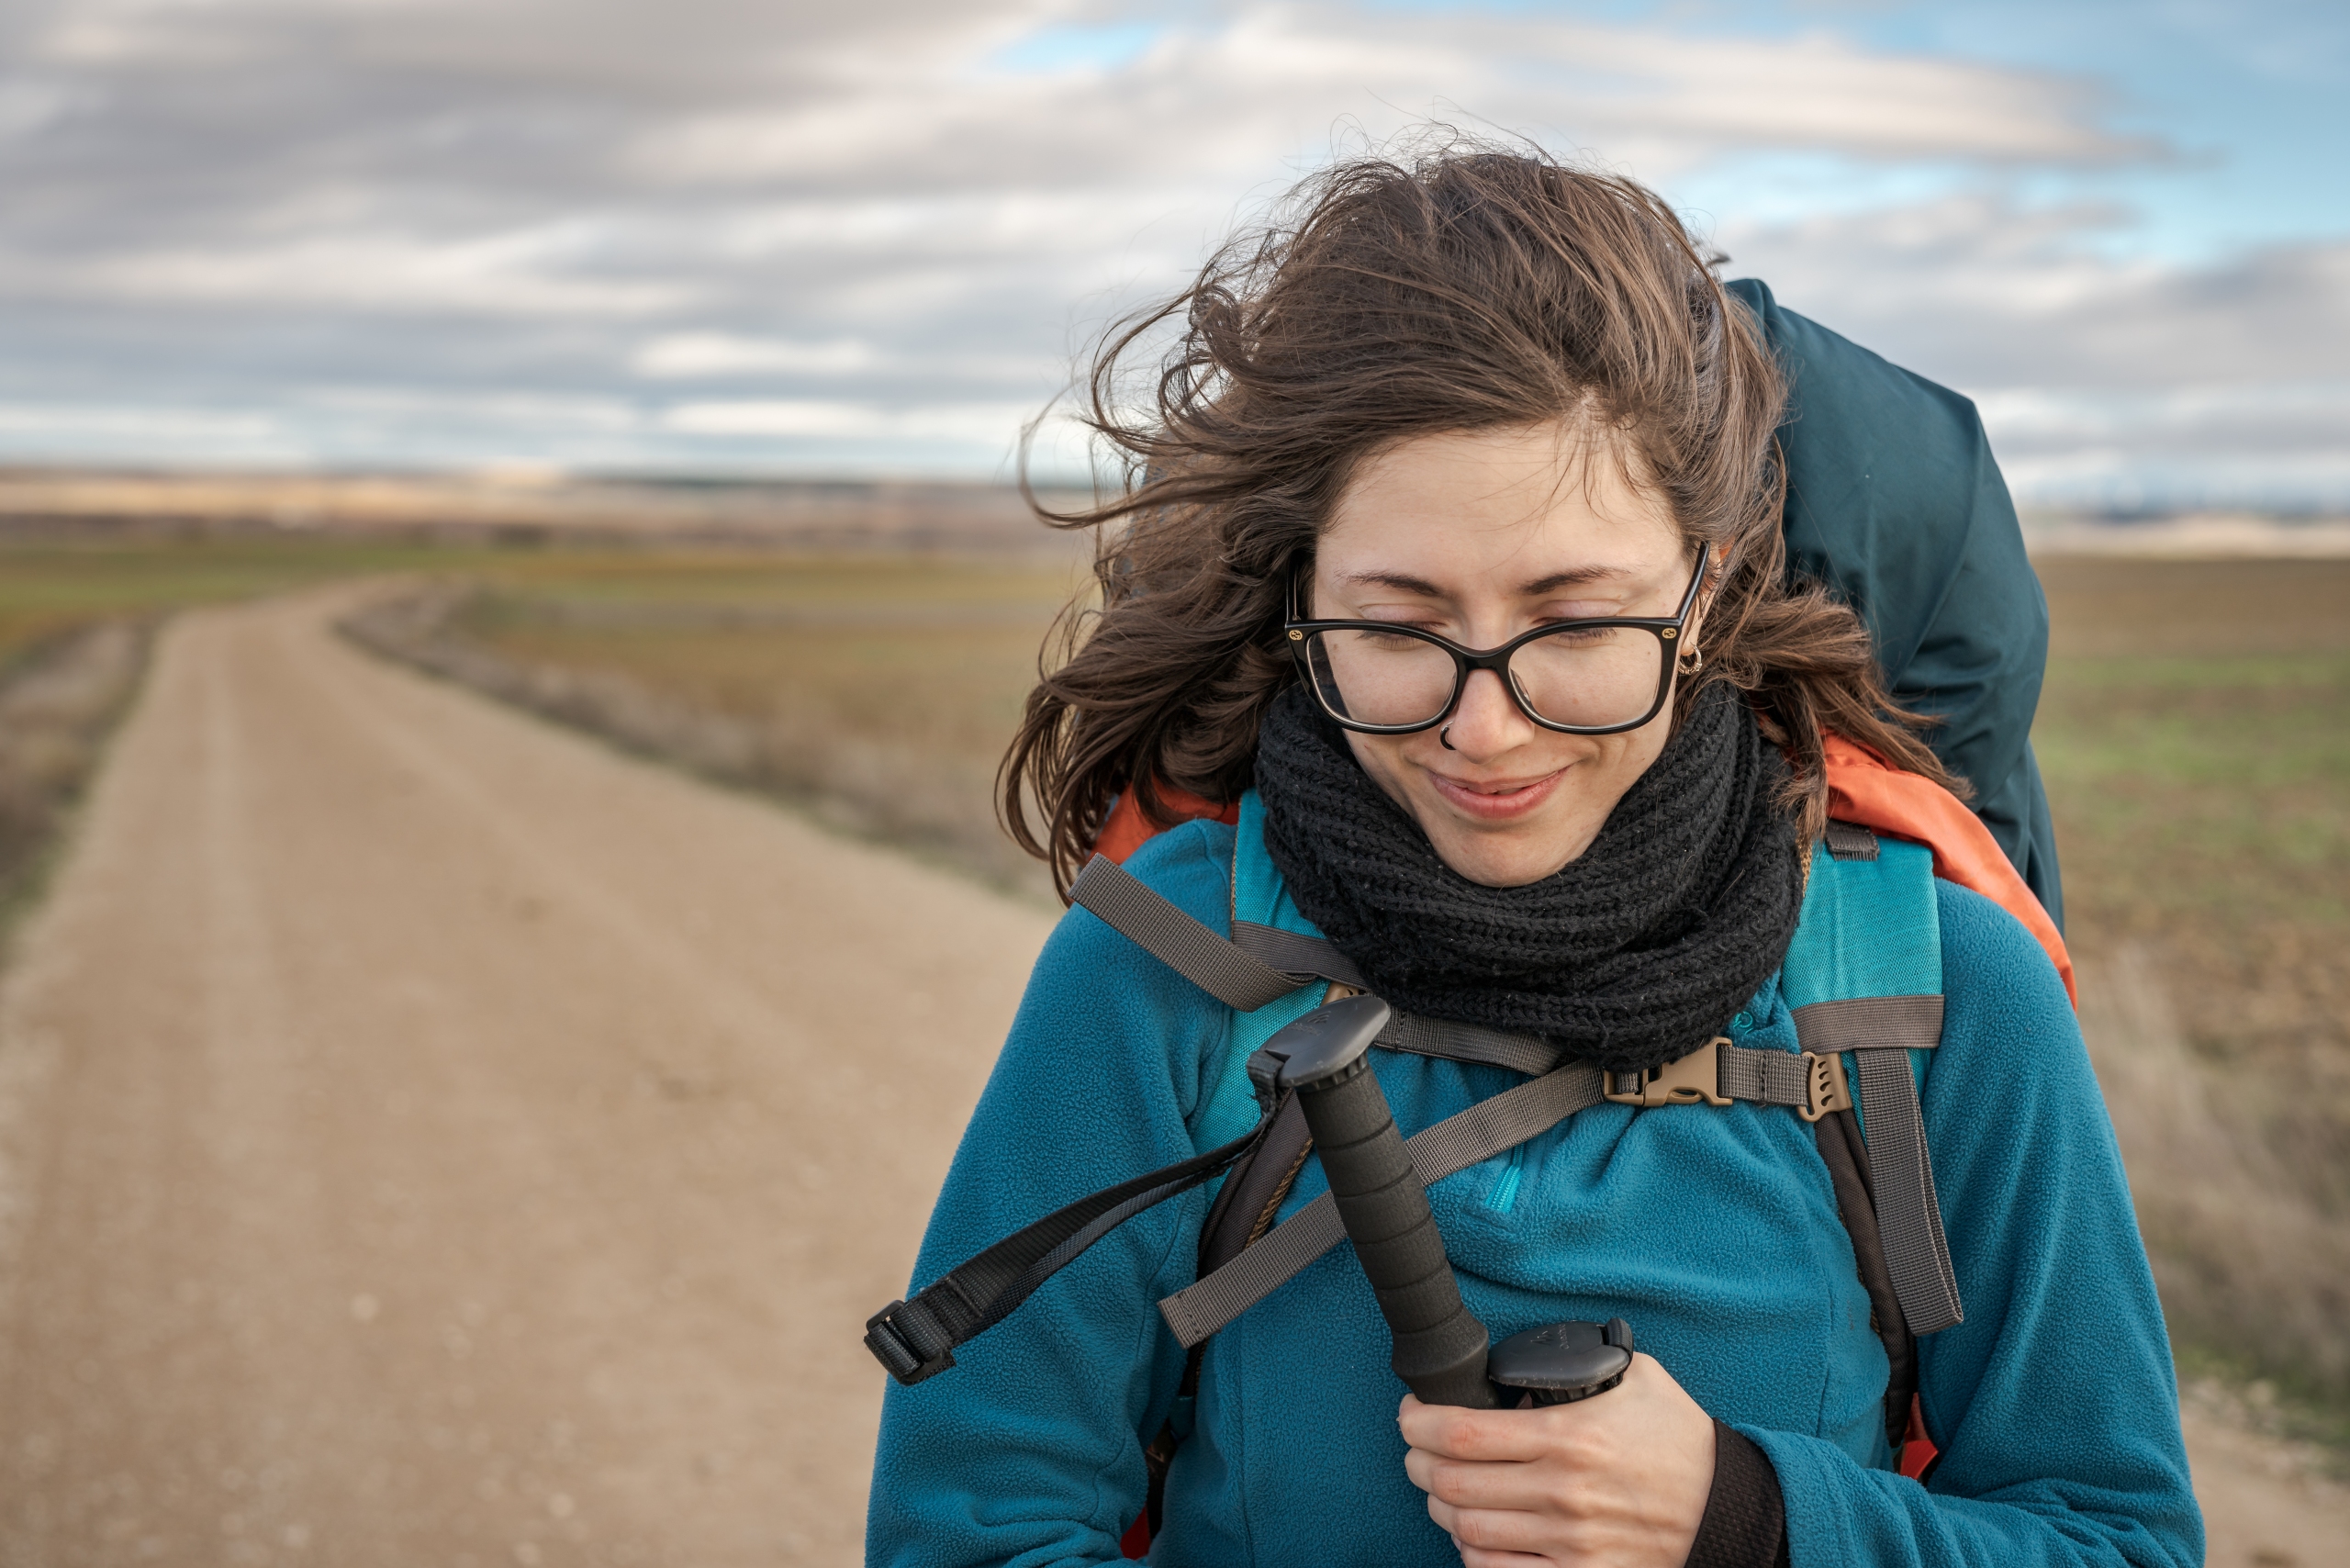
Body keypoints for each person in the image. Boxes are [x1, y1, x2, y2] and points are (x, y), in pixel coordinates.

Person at [867, 146, 2196, 1568]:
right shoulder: (1171, 969)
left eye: (1575, 622)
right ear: (1301, 587)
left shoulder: (1935, 993)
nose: (1486, 731)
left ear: (1709, 582)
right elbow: (972, 1535)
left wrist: (1742, 1517)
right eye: (1396, 625)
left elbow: (2117, 1539)